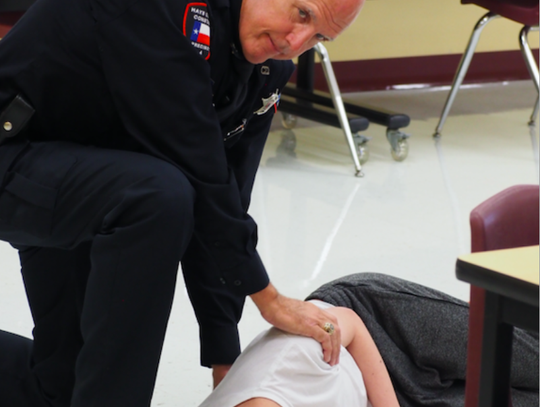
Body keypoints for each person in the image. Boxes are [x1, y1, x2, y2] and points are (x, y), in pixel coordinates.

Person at [0, 0, 364, 405]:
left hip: (87, 187)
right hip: (17, 151)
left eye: (318, 37)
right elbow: (195, 166)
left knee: (61, 389)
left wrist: (226, 354)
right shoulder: (162, 9)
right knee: (159, 196)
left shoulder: (268, 69)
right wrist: (269, 299)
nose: (295, 41)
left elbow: (228, 196)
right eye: (301, 13)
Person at [198, 273, 539, 407]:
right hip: (383, 397)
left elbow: (351, 326)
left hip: (378, 325)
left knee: (528, 360)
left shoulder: (276, 376)